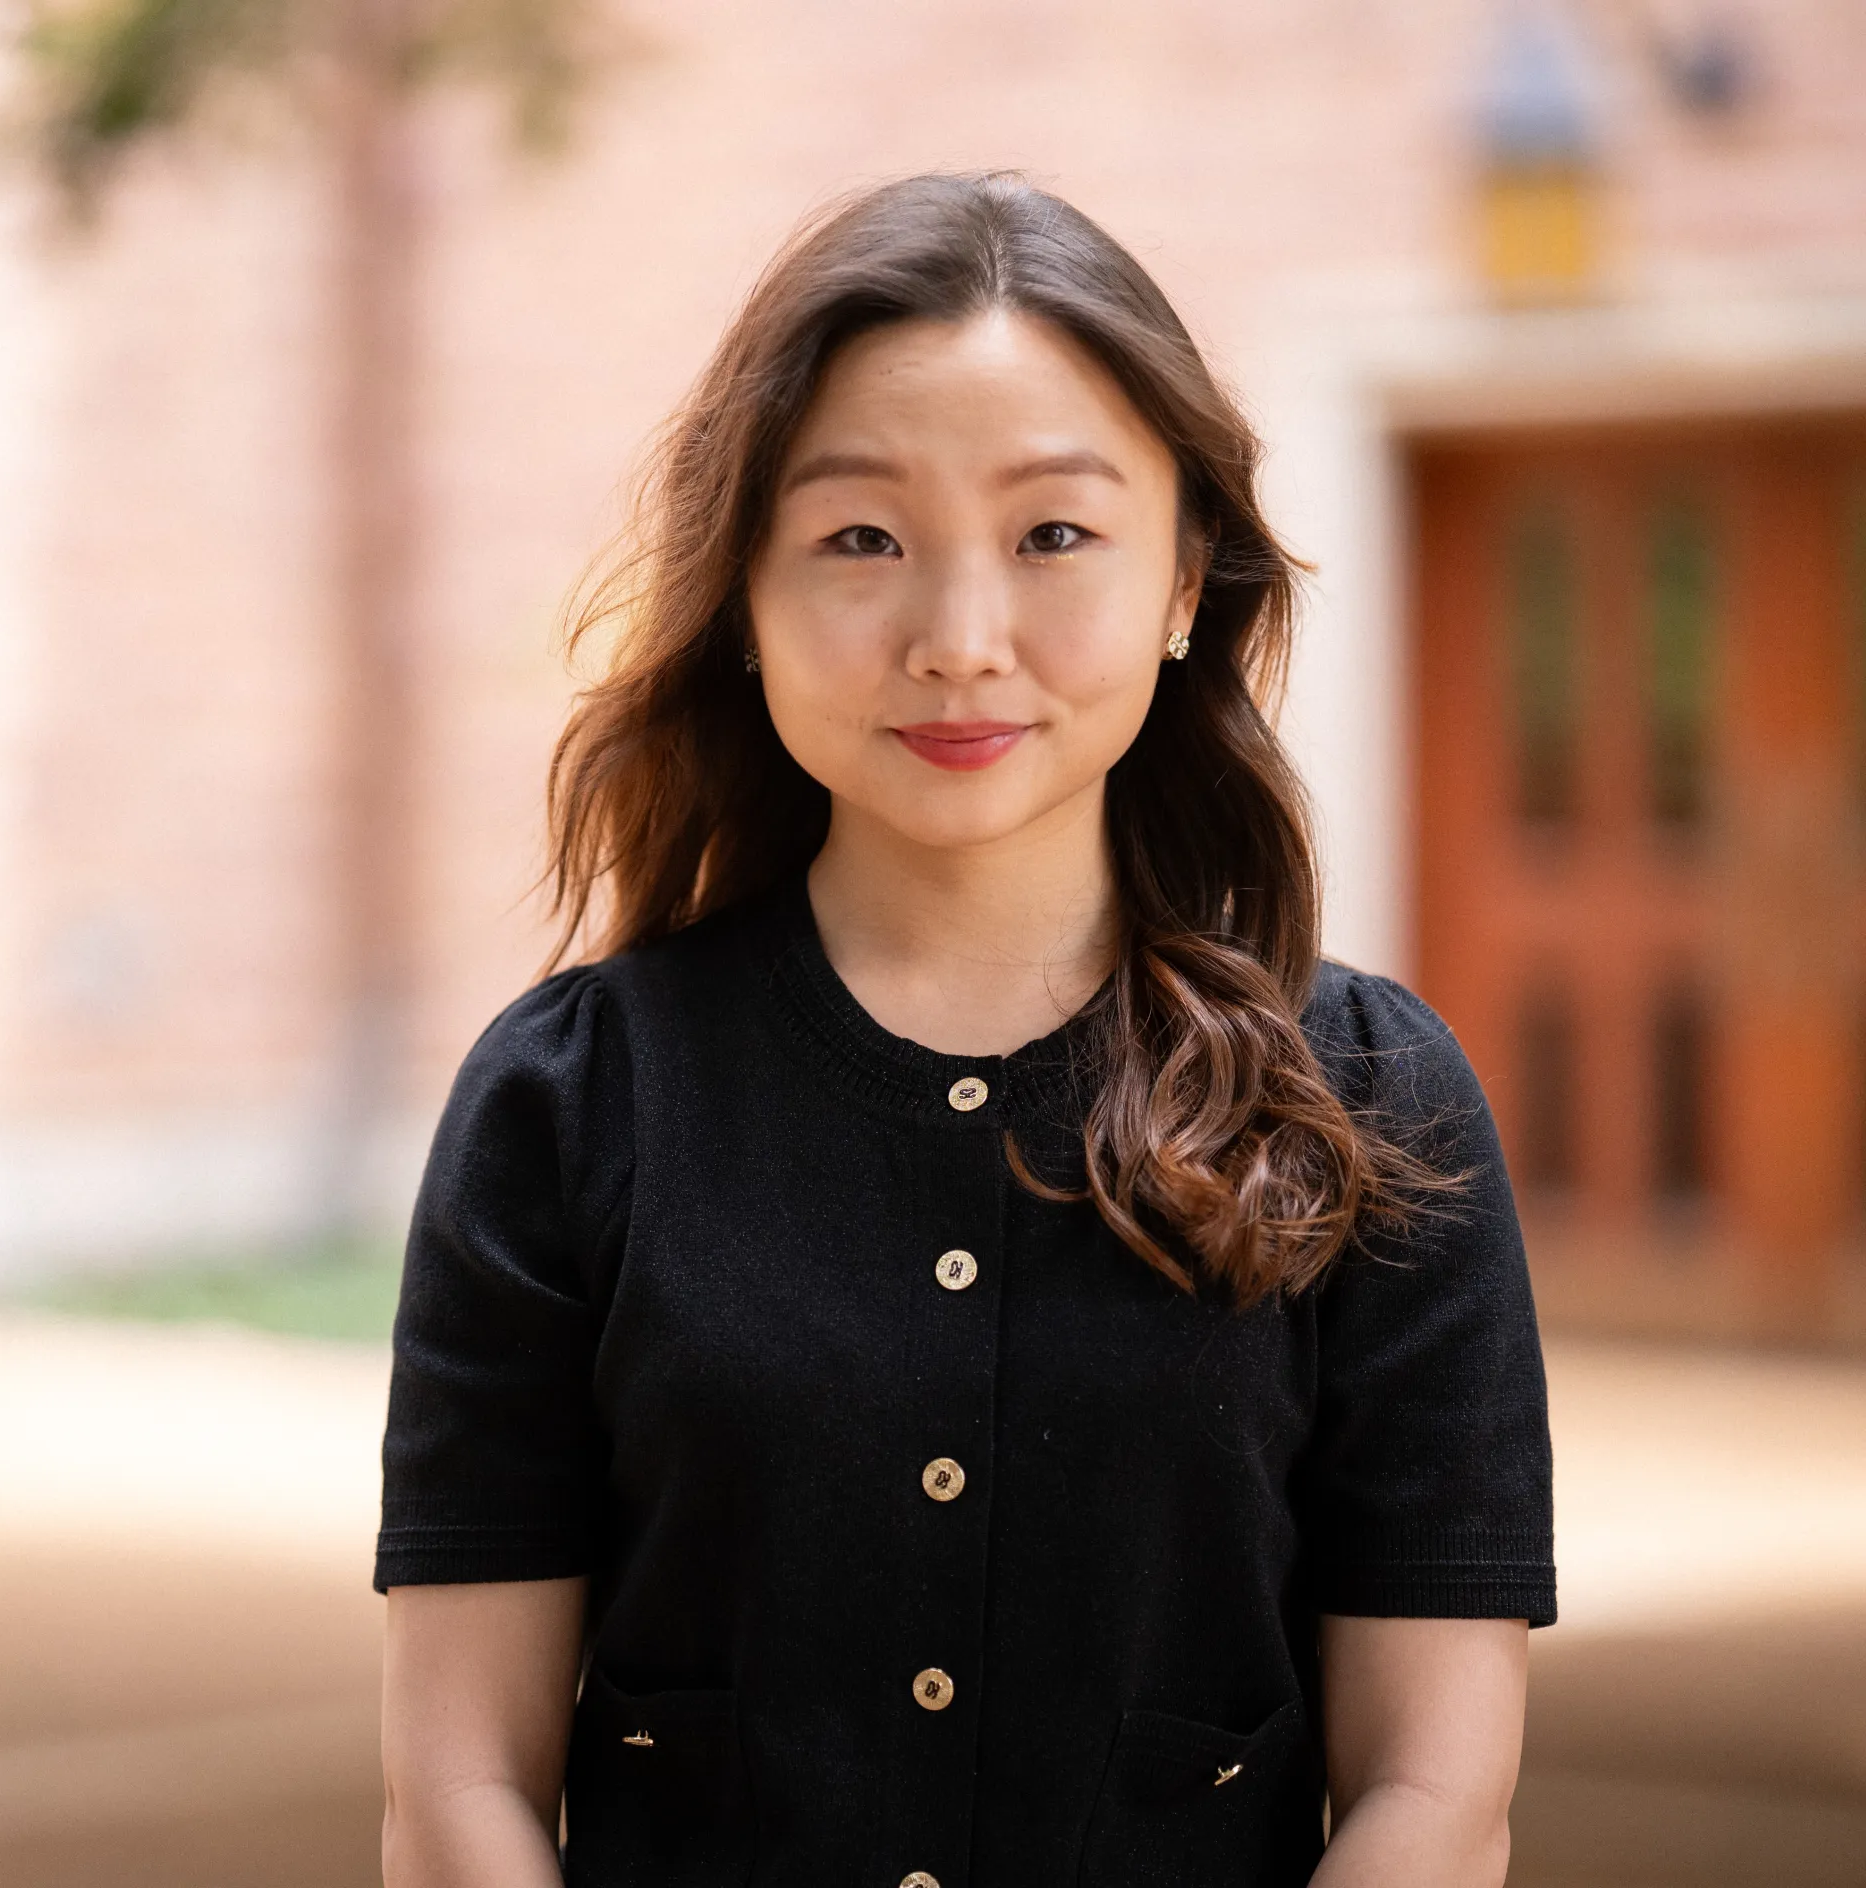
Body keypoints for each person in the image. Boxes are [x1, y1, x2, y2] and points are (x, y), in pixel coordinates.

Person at [375, 171, 1555, 1888]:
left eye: (1055, 534)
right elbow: (460, 1782)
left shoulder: (1374, 1102)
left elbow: (1435, 1794)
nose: (959, 641)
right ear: (746, 595)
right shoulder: (568, 1104)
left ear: (1183, 587)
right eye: (861, 538)